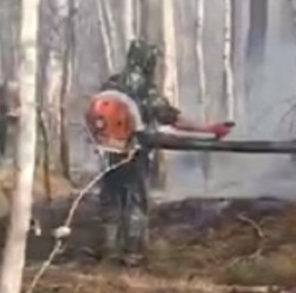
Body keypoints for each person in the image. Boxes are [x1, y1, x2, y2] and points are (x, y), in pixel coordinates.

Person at [95, 39, 232, 265]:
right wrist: (208, 129)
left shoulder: (111, 84)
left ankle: (108, 250)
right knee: (136, 203)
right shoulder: (145, 89)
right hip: (134, 152)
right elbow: (171, 118)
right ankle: (132, 255)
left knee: (110, 200)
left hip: (109, 151)